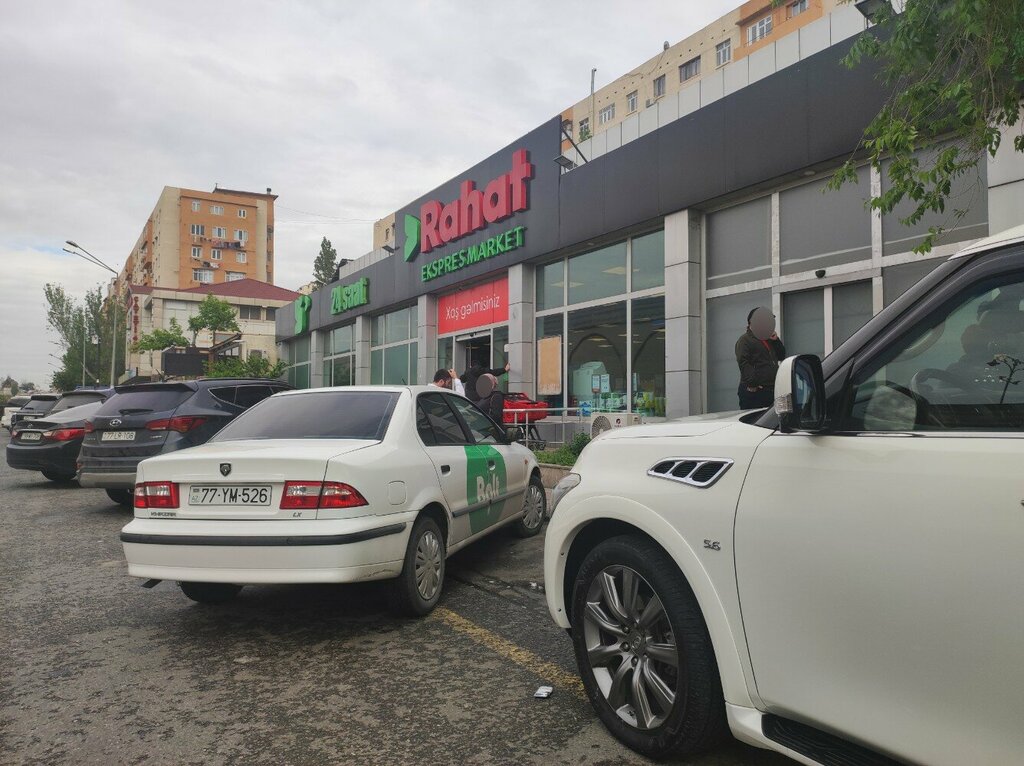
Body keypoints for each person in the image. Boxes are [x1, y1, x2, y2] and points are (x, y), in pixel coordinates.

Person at [735, 306, 785, 409]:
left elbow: (781, 355)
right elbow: (743, 362)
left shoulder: (768, 338)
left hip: (771, 390)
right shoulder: (745, 340)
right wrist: (753, 384)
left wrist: (776, 341)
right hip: (754, 392)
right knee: (753, 421)